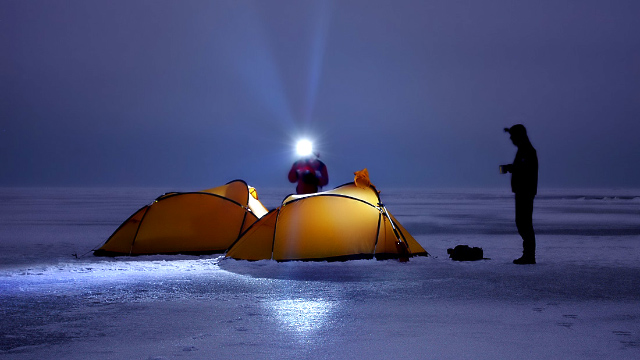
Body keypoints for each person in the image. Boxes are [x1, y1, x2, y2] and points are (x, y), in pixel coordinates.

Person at [500, 124, 538, 264]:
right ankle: (528, 254)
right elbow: (522, 168)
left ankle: (529, 255)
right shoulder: (524, 150)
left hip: (525, 192)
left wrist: (511, 168)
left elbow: (524, 169)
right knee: (522, 223)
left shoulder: (527, 151)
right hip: (523, 191)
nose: (511, 139)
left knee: (524, 223)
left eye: (512, 136)